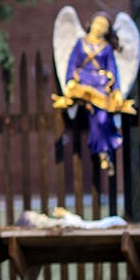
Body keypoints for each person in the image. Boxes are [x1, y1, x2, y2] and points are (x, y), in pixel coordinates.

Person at [57, 11, 130, 174]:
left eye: (104, 26)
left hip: (100, 86)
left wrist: (116, 90)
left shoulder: (106, 48)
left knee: (103, 118)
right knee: (94, 116)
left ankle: (104, 152)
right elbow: (71, 63)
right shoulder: (80, 43)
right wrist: (69, 81)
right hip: (83, 86)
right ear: (91, 23)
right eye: (98, 23)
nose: (99, 28)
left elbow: (113, 69)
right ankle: (102, 152)